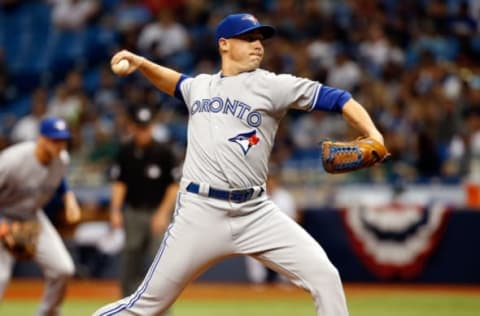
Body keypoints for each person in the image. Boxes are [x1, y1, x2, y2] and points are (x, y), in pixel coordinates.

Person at [95, 13, 385, 316]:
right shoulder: (201, 86)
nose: (258, 45)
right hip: (199, 212)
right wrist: (142, 63)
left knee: (325, 276)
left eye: (260, 39)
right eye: (248, 39)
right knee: (146, 305)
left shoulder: (273, 86)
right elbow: (175, 83)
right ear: (224, 44)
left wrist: (372, 133)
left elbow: (339, 99)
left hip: (256, 212)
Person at [0, 116, 81, 316]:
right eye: (54, 139)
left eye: (62, 140)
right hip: (3, 213)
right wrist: (2, 227)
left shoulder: (62, 158)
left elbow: (60, 179)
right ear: (41, 139)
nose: (59, 145)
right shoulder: (12, 160)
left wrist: (69, 198)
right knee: (0, 277)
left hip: (32, 215)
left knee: (63, 269)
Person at [108, 104, 179, 297]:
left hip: (157, 212)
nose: (142, 132)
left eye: (146, 127)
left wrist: (163, 213)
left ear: (152, 127)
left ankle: (160, 308)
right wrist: (115, 211)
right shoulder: (125, 151)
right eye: (139, 127)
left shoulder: (164, 152)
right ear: (132, 127)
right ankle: (128, 305)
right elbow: (119, 183)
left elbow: (174, 186)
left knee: (160, 261)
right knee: (130, 258)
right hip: (133, 212)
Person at [244, 163, 299, 285]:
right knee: (250, 247)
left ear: (276, 181)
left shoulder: (284, 198)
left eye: (272, 179)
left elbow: (294, 221)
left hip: (281, 236)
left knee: (287, 253)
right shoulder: (255, 196)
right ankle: (257, 285)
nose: (269, 182)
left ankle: (285, 286)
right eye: (267, 179)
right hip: (260, 236)